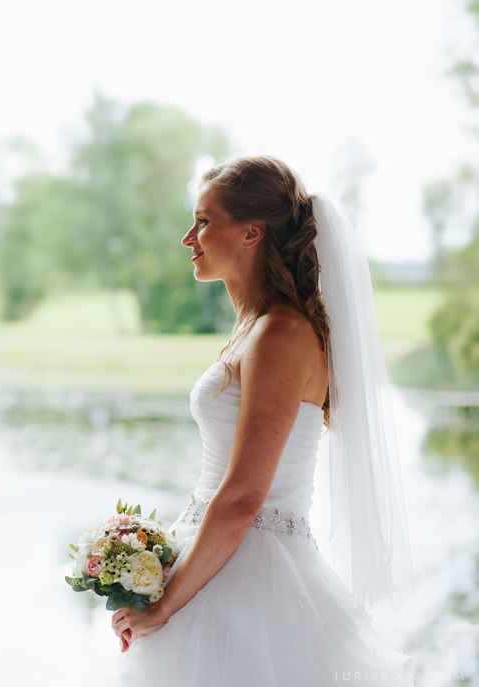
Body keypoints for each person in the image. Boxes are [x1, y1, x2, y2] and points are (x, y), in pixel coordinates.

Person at [110, 156, 414, 684]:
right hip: (219, 557)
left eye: (204, 221)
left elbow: (246, 495)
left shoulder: (280, 334)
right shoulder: (256, 327)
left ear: (252, 232)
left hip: (251, 578)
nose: (189, 237)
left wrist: (164, 607)